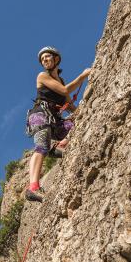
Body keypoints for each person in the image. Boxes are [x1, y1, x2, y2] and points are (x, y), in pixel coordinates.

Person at [25, 46, 91, 202]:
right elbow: (63, 90)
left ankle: (59, 146)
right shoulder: (42, 76)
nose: (44, 60)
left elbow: (71, 107)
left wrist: (86, 109)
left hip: (54, 120)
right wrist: (82, 76)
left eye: (47, 57)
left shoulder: (60, 80)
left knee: (77, 124)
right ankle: (32, 187)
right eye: (42, 59)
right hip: (39, 115)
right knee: (41, 146)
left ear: (56, 59)